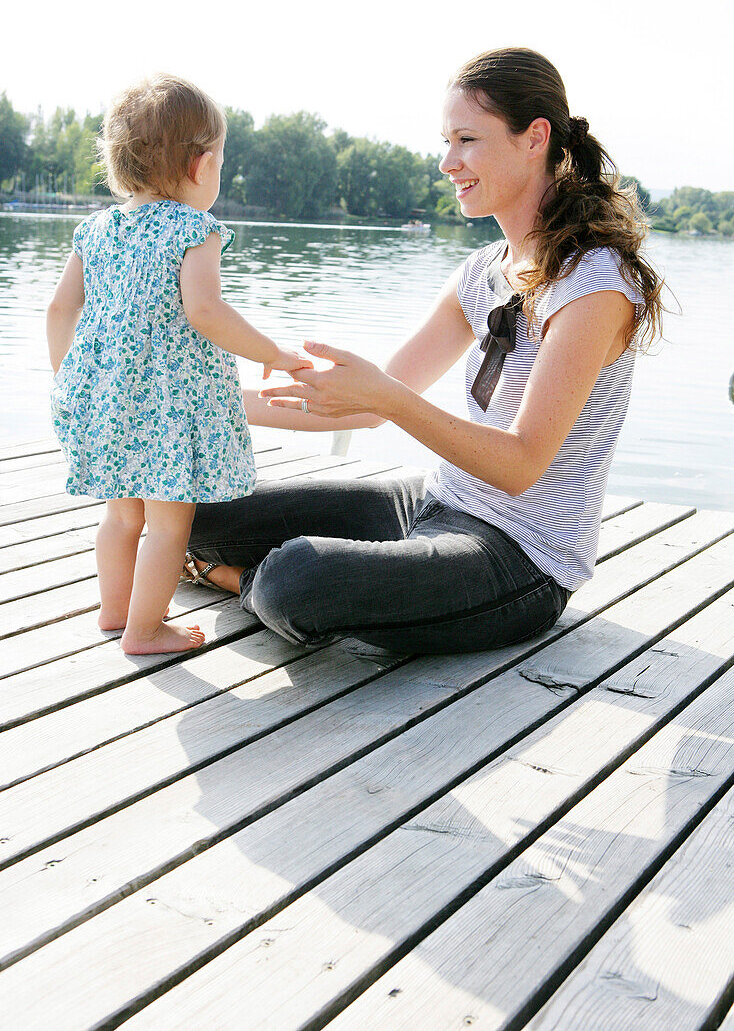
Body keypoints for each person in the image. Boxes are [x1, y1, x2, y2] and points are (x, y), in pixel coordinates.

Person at [186, 47, 664, 655]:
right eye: (446, 141)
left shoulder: (594, 282)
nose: (447, 163)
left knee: (295, 580)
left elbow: (520, 464)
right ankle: (232, 573)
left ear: (534, 137)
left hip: (520, 555)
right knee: (190, 507)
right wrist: (200, 399)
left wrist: (387, 396)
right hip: (435, 501)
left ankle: (232, 580)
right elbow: (366, 406)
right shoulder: (481, 271)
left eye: (467, 140)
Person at [46, 74, 310, 655]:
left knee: (122, 516)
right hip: (169, 409)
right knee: (170, 525)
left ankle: (115, 611)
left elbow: (60, 307)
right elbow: (207, 311)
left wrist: (69, 379)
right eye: (221, 163)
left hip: (105, 400)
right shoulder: (195, 228)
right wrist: (276, 354)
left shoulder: (95, 230)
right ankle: (144, 630)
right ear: (201, 163)